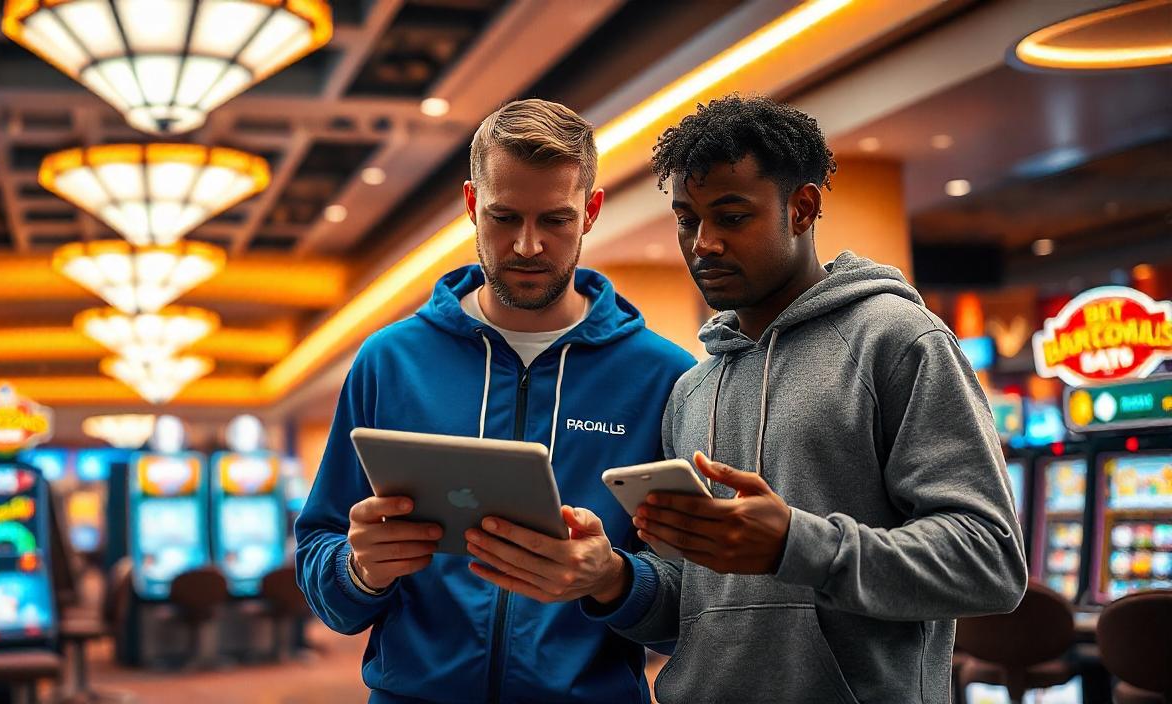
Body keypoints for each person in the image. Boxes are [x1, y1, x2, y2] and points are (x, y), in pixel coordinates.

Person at [472, 94, 1028, 702]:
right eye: (687, 219)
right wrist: (610, 577)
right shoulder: (693, 388)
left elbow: (990, 559)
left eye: (731, 217)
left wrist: (798, 544)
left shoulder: (894, 341)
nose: (702, 243)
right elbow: (689, 609)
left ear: (802, 208)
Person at [294, 98, 697, 702]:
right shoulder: (391, 361)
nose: (528, 246)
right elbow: (320, 556)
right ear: (470, 206)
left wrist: (614, 579)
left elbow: (694, 604)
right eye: (504, 217)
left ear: (590, 212)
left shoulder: (663, 375)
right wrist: (359, 571)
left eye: (555, 220)